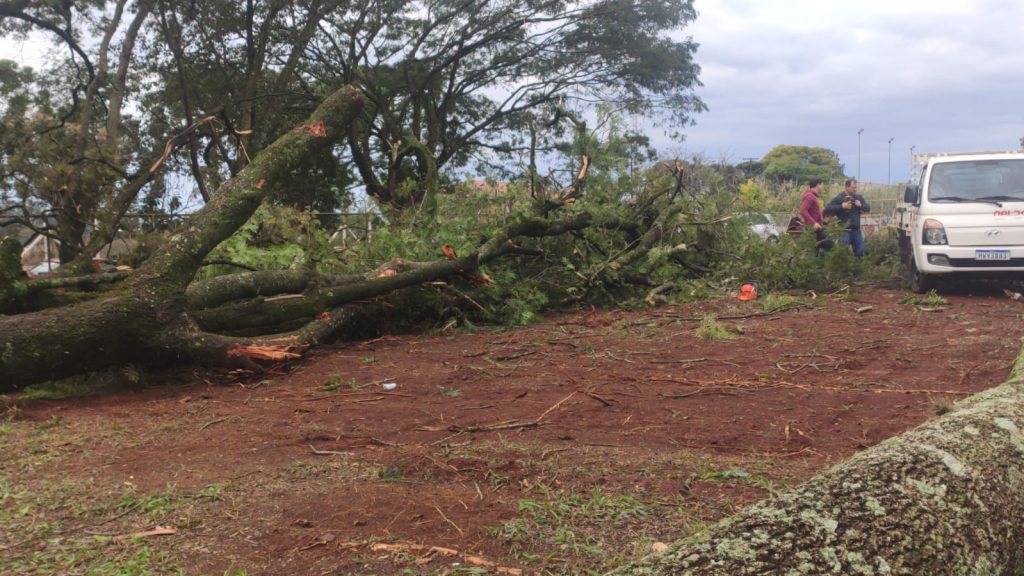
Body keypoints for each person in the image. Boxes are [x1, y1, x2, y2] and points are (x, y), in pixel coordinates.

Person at [823, 178, 871, 257]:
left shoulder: (858, 197)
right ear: (846, 187)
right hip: (844, 230)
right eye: (853, 188)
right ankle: (844, 268)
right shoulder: (839, 198)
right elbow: (826, 210)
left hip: (856, 229)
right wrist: (841, 206)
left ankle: (857, 268)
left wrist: (861, 205)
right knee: (843, 252)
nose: (855, 189)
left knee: (860, 251)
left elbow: (868, 208)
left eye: (856, 187)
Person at [798, 178, 833, 253]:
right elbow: (802, 210)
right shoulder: (809, 196)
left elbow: (813, 213)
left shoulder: (813, 196)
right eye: (822, 184)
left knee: (815, 251)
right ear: (818, 184)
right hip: (813, 230)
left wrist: (823, 222)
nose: (823, 187)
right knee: (831, 246)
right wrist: (814, 223)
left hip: (817, 229)